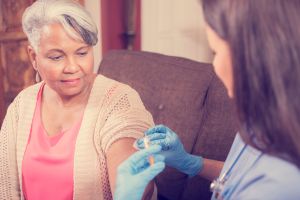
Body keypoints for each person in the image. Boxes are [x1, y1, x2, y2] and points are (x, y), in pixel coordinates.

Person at [115, 0, 300, 199]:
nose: (215, 66)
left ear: (252, 57)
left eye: (216, 52)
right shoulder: (260, 120)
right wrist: (191, 162)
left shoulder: (278, 187)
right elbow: (239, 177)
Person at [0, 0, 155, 199]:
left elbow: (130, 174)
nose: (72, 67)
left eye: (82, 53)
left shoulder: (119, 101)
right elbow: (5, 186)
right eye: (57, 57)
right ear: (33, 57)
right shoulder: (22, 105)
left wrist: (133, 185)